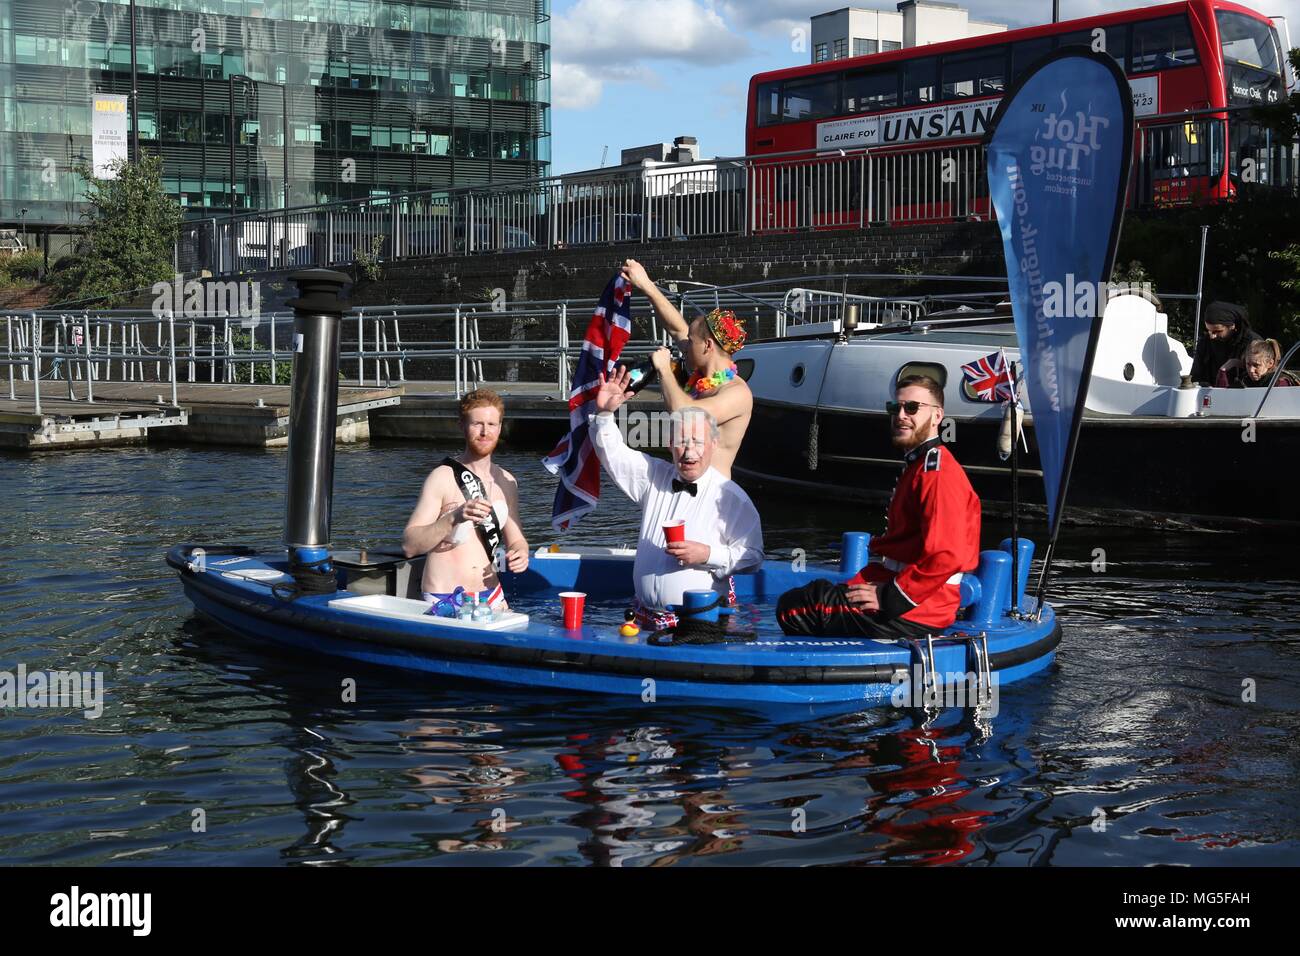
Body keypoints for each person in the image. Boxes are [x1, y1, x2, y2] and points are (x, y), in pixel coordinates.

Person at [776, 375, 980, 639]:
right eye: (895, 408)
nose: (901, 415)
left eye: (913, 408)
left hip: (917, 610)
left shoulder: (937, 472)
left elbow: (946, 555)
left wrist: (889, 597)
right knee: (812, 593)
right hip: (904, 592)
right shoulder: (919, 465)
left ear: (937, 415)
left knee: (793, 609)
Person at [590, 366, 764, 629]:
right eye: (682, 441)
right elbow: (613, 454)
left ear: (713, 445)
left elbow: (753, 556)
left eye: (697, 442)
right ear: (670, 444)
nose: (689, 452)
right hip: (643, 619)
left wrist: (708, 554)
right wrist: (604, 414)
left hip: (701, 622)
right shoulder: (654, 476)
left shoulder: (731, 498)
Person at [620, 258, 753, 478]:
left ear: (707, 346)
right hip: (684, 487)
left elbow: (686, 415)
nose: (684, 345)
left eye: (691, 342)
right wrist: (646, 285)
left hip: (709, 499)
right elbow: (676, 328)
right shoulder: (702, 376)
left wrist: (664, 370)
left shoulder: (736, 393)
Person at [402, 389, 529, 614]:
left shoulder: (507, 481)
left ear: (500, 427)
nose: (484, 431)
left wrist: (521, 553)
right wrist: (454, 517)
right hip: (445, 599)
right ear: (462, 425)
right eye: (477, 423)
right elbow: (410, 546)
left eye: (491, 424)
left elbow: (516, 539)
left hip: (492, 597)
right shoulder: (442, 477)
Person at [1189, 301, 1261, 386]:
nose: (1212, 336)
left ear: (1232, 326)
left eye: (1217, 331)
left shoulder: (1252, 343)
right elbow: (1196, 375)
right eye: (1209, 331)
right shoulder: (1205, 342)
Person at [1218, 338, 1298, 388]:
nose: (1251, 370)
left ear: (1270, 363)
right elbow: (1223, 399)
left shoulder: (1280, 383)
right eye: (1248, 364)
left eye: (1256, 365)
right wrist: (1223, 370)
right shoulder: (1245, 381)